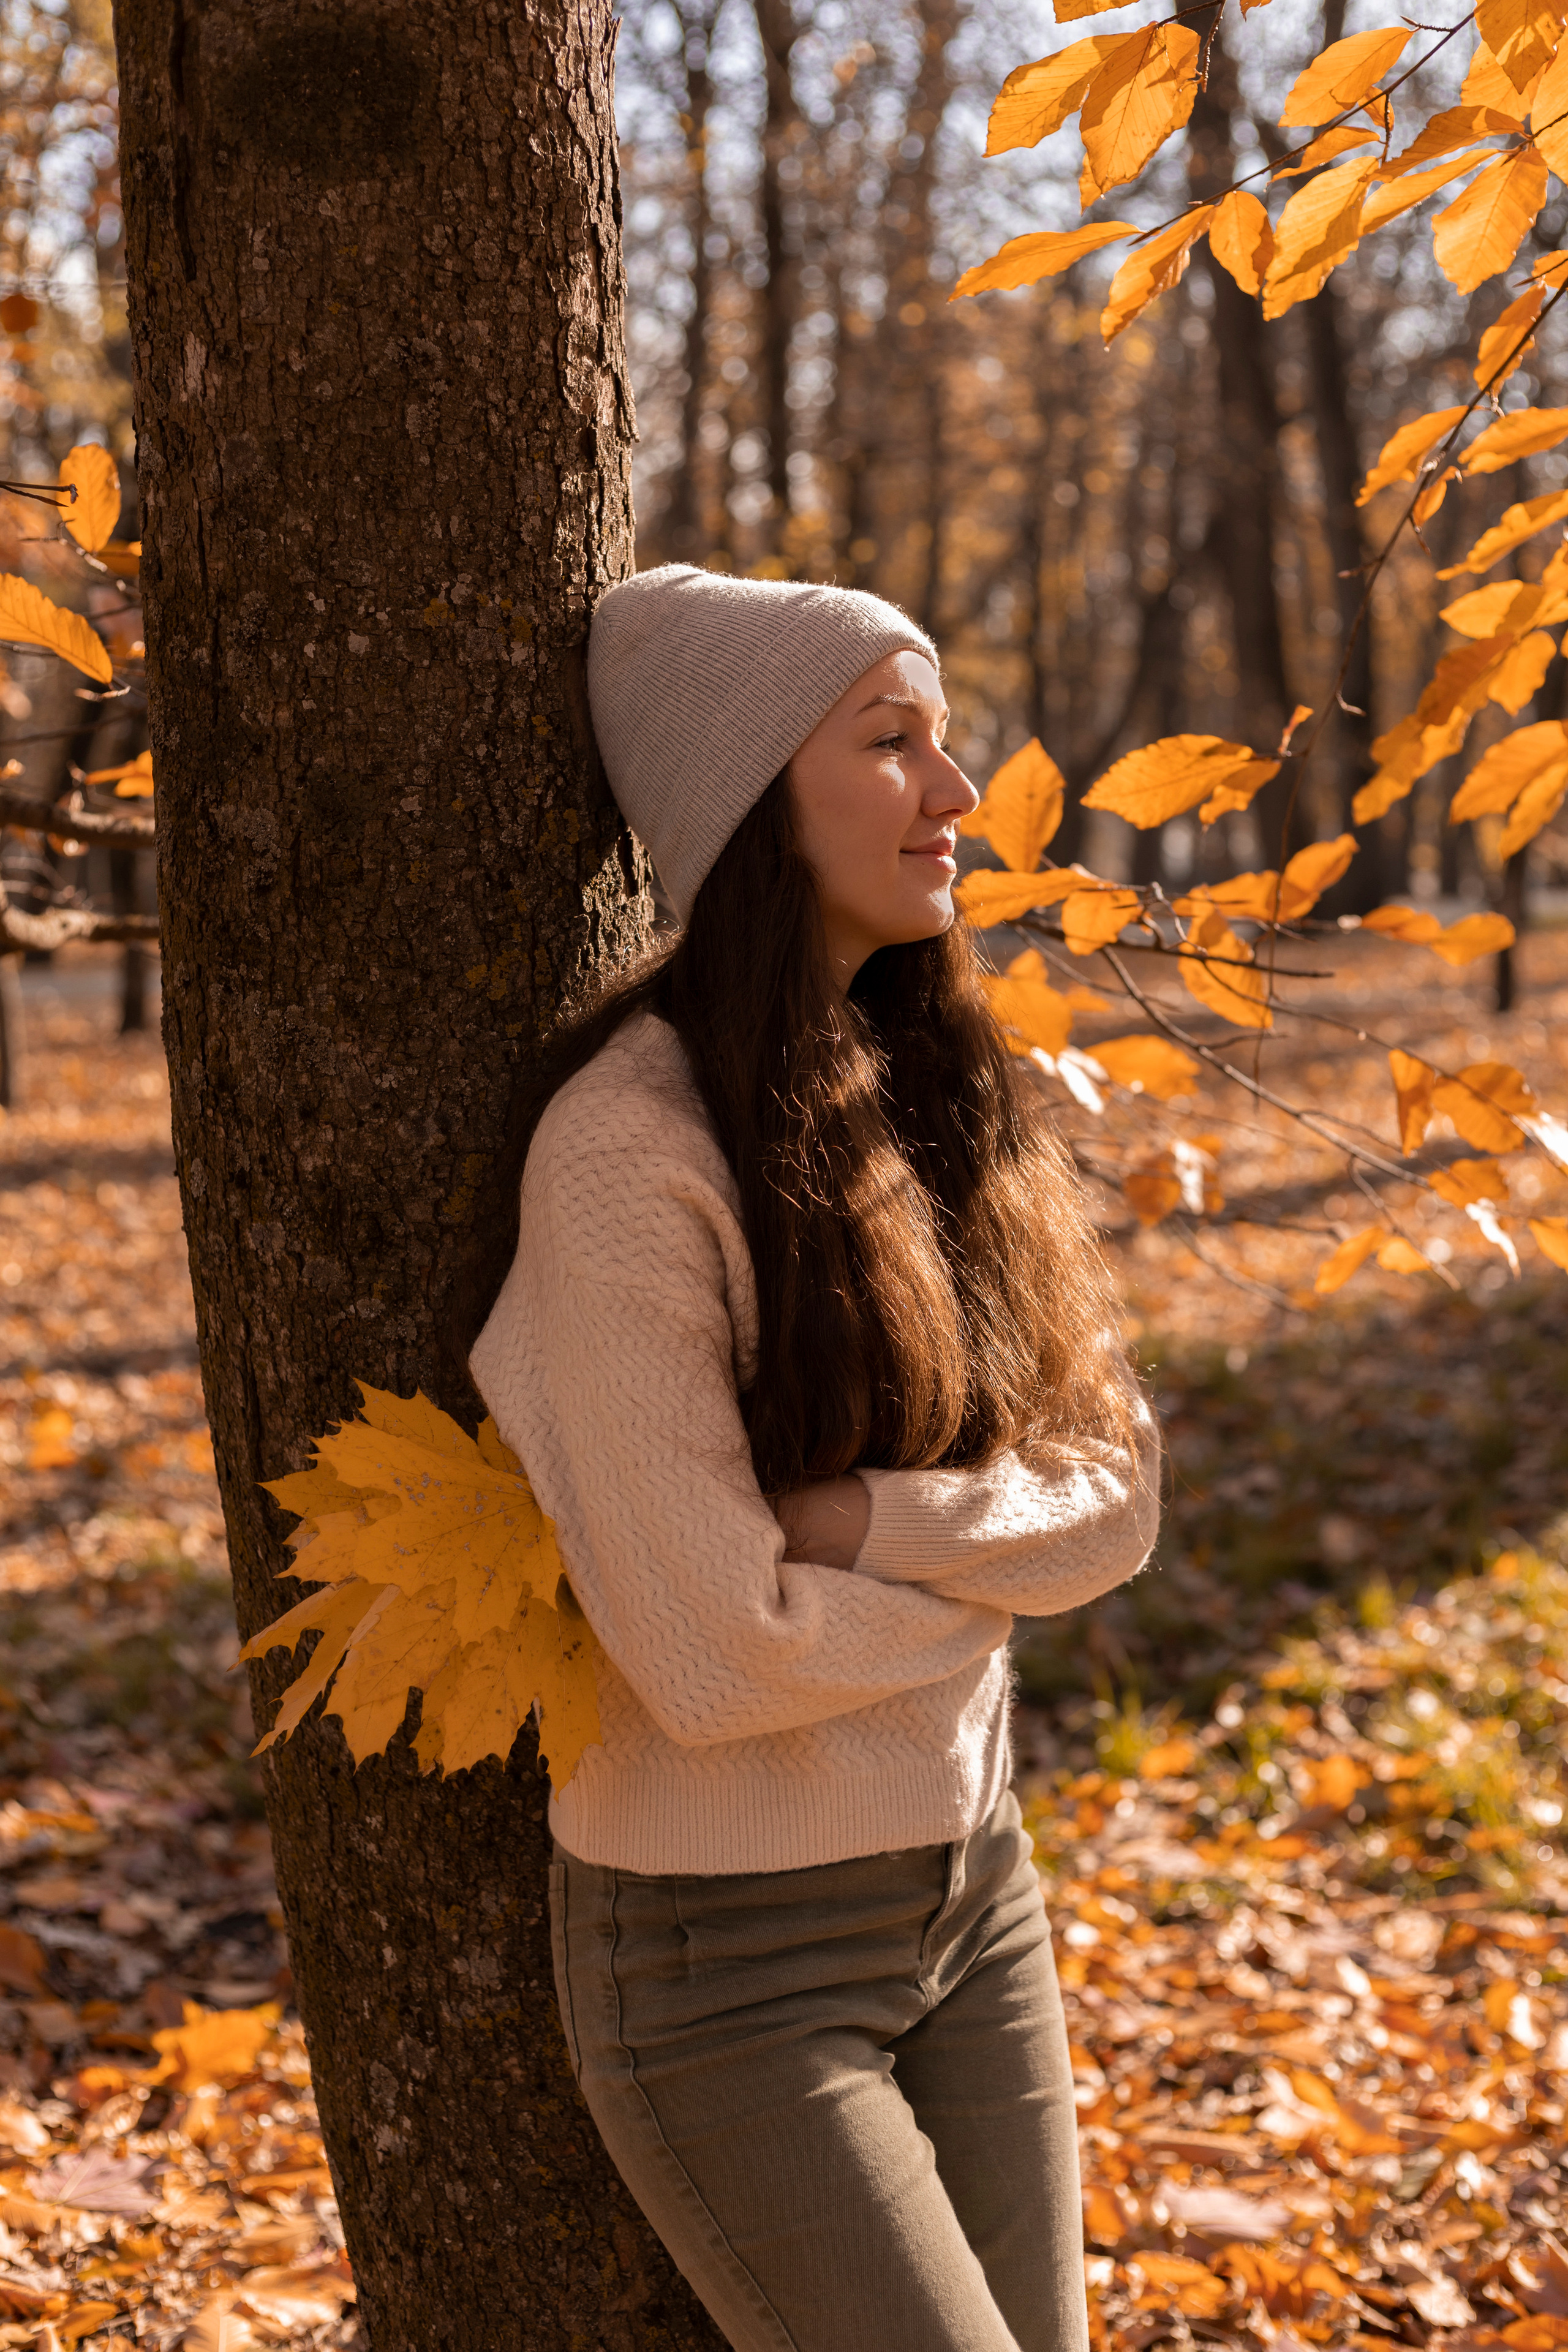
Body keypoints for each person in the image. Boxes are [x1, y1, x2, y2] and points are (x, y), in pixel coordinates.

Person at [470, 564, 1160, 2352]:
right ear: (750, 797)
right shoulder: (628, 1156)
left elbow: (1120, 1499)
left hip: (975, 1895)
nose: (956, 790)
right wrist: (992, 1584)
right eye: (890, 742)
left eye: (945, 739)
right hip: (731, 1968)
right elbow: (713, 1652)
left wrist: (860, 1524)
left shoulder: (945, 1091)